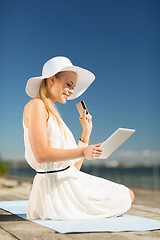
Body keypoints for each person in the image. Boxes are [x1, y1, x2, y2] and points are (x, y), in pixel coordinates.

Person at [23, 56, 134, 220]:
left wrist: (86, 132)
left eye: (73, 87)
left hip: (67, 183)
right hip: (57, 192)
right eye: (69, 84)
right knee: (126, 197)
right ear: (52, 79)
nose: (71, 91)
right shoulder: (37, 105)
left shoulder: (52, 112)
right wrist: (83, 151)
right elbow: (41, 154)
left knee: (128, 195)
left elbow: (72, 169)